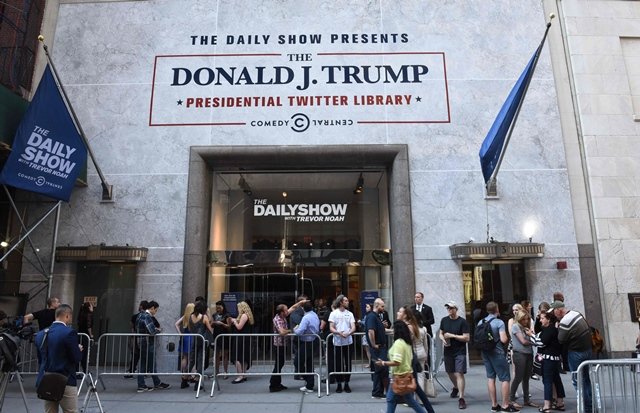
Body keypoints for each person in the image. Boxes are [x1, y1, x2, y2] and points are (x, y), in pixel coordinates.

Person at [35, 304, 82, 413]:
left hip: (46, 380)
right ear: (67, 316)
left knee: (50, 411)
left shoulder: (41, 334)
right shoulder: (69, 333)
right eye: (70, 316)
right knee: (70, 411)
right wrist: (78, 350)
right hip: (65, 379)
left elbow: (41, 357)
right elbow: (75, 358)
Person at [550, 300, 593, 412]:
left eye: (554, 312)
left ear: (558, 310)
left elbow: (561, 339)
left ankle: (585, 407)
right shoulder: (576, 313)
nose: (554, 315)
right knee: (586, 378)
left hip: (576, 352)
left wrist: (558, 327)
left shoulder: (565, 321)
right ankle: (590, 404)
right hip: (587, 350)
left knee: (577, 380)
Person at [375, 320, 426, 413]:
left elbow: (397, 362)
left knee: (391, 398)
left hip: (400, 376)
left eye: (393, 329)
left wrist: (383, 363)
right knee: (408, 400)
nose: (392, 331)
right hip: (406, 374)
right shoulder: (407, 343)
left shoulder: (398, 343)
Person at [478, 301, 519, 412]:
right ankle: (505, 405)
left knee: (491, 378)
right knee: (505, 378)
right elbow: (503, 339)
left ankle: (494, 405)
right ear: (497, 309)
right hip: (497, 353)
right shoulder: (499, 322)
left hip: (485, 353)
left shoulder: (480, 322)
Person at [397, 305, 435, 413]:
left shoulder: (409, 327)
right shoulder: (422, 329)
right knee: (421, 375)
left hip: (413, 354)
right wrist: (427, 355)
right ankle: (419, 401)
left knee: (415, 378)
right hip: (422, 352)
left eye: (400, 312)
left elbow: (407, 342)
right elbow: (426, 344)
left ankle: (415, 400)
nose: (398, 313)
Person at [530, 311, 565, 412]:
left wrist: (530, 335)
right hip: (555, 359)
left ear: (548, 319)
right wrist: (536, 320)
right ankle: (560, 403)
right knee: (556, 380)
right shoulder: (552, 329)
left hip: (548, 360)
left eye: (542, 318)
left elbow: (541, 343)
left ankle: (547, 405)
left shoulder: (549, 330)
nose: (540, 320)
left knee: (547, 381)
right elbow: (539, 332)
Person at [438, 300, 469, 410]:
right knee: (450, 372)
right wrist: (443, 339)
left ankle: (461, 398)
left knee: (459, 373)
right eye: (448, 308)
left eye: (451, 308)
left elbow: (466, 338)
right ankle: (456, 387)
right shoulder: (444, 320)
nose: (449, 310)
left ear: (456, 309)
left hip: (460, 351)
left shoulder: (462, 322)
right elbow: (441, 333)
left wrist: (452, 335)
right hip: (448, 350)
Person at [135, 300, 171, 392]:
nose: (156, 312)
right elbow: (152, 331)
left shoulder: (140, 315)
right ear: (152, 308)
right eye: (156, 310)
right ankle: (152, 383)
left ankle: (146, 384)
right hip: (147, 343)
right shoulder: (147, 316)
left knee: (144, 364)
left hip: (142, 342)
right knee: (151, 364)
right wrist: (158, 330)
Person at [509, 310, 537, 408]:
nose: (525, 321)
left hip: (528, 353)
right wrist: (535, 341)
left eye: (527, 319)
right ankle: (511, 399)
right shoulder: (516, 326)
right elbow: (523, 341)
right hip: (520, 354)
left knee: (526, 378)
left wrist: (532, 336)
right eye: (523, 319)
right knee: (518, 377)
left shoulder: (526, 327)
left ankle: (526, 399)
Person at [328, 294, 356, 393]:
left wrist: (348, 333)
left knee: (348, 363)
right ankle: (339, 383)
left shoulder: (350, 314)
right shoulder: (334, 313)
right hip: (337, 342)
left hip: (348, 342)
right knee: (338, 363)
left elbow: (353, 327)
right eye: (346, 301)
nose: (348, 302)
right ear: (341, 302)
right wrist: (338, 332)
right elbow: (331, 327)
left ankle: (347, 383)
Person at [293, 300, 320, 393]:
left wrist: (295, 329)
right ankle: (310, 385)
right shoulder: (315, 315)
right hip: (313, 341)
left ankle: (309, 381)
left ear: (303, 309)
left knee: (297, 362)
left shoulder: (306, 317)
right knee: (309, 363)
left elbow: (300, 331)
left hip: (306, 342)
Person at [366, 298, 389, 399]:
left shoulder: (376, 316)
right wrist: (374, 344)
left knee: (381, 370)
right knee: (380, 369)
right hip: (378, 348)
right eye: (382, 306)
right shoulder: (371, 316)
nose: (383, 308)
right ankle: (377, 392)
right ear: (377, 306)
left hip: (380, 347)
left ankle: (378, 392)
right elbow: (371, 331)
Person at [188, 300, 213, 390]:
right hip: (202, 340)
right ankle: (198, 382)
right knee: (200, 361)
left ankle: (185, 377)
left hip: (194, 339)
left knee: (192, 359)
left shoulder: (191, 316)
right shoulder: (204, 317)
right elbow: (210, 329)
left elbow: (190, 328)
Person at [230, 300, 254, 383]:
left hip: (240, 338)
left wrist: (234, 321)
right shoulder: (247, 315)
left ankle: (240, 376)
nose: (237, 309)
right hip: (244, 338)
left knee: (237, 357)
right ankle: (243, 374)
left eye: (238, 308)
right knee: (243, 357)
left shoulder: (244, 315)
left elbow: (239, 327)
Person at [269, 303, 290, 392]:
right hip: (278, 345)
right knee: (278, 364)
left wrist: (300, 303)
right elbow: (281, 332)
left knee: (280, 364)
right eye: (286, 310)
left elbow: (292, 308)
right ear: (281, 312)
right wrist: (291, 330)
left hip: (283, 344)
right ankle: (273, 384)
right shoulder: (278, 319)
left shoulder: (283, 316)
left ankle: (277, 383)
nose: (287, 311)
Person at [174, 302, 195, 388]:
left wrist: (180, 334)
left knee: (184, 357)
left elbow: (176, 324)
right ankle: (192, 375)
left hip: (185, 337)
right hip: (192, 337)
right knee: (192, 358)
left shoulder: (185, 316)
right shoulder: (193, 317)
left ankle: (183, 374)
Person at [125, 300, 147, 378]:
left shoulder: (135, 316)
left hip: (135, 338)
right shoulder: (146, 316)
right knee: (142, 356)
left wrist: (133, 333)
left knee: (135, 355)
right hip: (142, 339)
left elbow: (131, 326)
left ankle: (131, 371)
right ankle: (143, 372)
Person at [290, 294, 308, 380]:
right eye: (305, 301)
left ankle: (300, 373)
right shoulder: (296, 312)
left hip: (301, 337)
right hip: (297, 338)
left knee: (301, 356)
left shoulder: (302, 311)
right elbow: (300, 323)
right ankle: (298, 374)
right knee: (298, 356)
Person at [211, 300, 231, 379]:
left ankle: (225, 372)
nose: (218, 309)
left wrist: (222, 324)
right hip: (216, 336)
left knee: (225, 354)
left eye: (219, 307)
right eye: (217, 307)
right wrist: (213, 323)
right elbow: (211, 325)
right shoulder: (214, 315)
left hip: (224, 336)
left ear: (223, 307)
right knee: (216, 355)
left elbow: (229, 327)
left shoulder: (227, 315)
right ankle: (216, 372)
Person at [76, 302, 93, 373]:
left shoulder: (81, 315)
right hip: (85, 336)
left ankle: (77, 369)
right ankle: (85, 369)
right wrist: (91, 334)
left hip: (80, 335)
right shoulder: (89, 315)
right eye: (91, 306)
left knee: (79, 351)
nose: (92, 308)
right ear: (89, 307)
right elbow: (88, 326)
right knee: (85, 353)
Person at [359, 303, 373, 368]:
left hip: (367, 334)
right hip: (366, 333)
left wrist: (360, 322)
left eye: (367, 307)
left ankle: (371, 363)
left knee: (368, 350)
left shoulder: (369, 315)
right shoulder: (368, 315)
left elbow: (366, 323)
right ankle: (370, 363)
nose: (366, 308)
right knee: (367, 349)